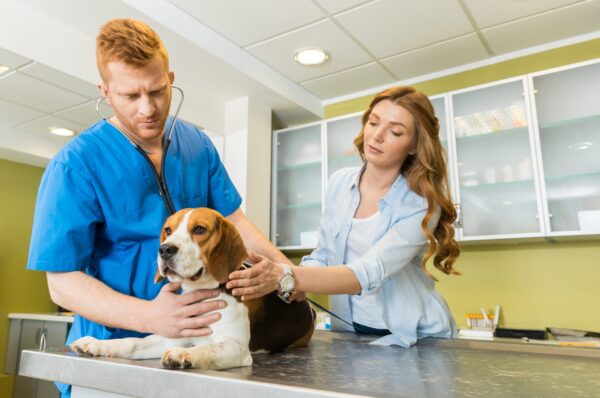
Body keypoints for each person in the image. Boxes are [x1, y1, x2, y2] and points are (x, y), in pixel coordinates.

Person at [27, 19, 291, 397]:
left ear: (170, 78)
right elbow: (61, 283)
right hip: (116, 350)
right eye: (130, 96)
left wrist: (288, 274)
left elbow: (235, 223)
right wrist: (148, 316)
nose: (148, 109)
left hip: (196, 347)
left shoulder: (197, 144)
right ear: (105, 91)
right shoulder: (76, 164)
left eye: (157, 90)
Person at [227, 86, 461, 346]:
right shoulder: (340, 183)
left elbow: (368, 272)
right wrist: (290, 280)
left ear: (414, 146)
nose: (377, 136)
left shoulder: (420, 204)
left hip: (418, 337)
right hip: (352, 332)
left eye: (395, 132)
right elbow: (323, 256)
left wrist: (286, 275)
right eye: (373, 122)